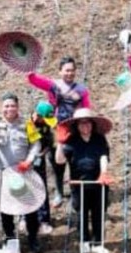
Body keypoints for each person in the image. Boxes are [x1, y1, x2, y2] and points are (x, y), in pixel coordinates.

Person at [27, 56, 91, 208]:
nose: (69, 73)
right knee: (56, 162)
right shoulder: (53, 85)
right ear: (60, 71)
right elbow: (35, 80)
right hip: (56, 128)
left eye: (72, 70)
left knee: (76, 162)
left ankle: (76, 192)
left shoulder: (81, 90)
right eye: (66, 70)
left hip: (74, 129)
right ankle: (59, 191)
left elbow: (86, 108)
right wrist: (28, 70)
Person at [0, 93, 42, 252]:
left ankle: (33, 238)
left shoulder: (27, 123)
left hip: (24, 173)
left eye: (12, 106)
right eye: (6, 106)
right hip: (4, 174)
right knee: (6, 209)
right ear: (2, 108)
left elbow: (36, 144)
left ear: (18, 107)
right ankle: (10, 238)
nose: (9, 109)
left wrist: (28, 161)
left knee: (29, 207)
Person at [55, 108, 113, 244]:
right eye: (81, 123)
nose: (85, 125)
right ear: (77, 125)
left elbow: (103, 156)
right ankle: (84, 241)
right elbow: (59, 160)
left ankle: (98, 241)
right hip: (78, 185)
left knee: (98, 213)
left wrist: (103, 173)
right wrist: (60, 143)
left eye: (88, 122)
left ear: (92, 124)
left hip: (98, 183)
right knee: (82, 214)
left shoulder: (99, 139)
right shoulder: (71, 140)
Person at [26, 101, 57, 235]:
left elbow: (49, 141)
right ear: (37, 115)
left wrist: (42, 153)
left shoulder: (45, 125)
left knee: (41, 187)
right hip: (26, 161)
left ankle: (44, 220)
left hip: (39, 160)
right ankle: (24, 218)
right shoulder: (26, 124)